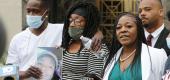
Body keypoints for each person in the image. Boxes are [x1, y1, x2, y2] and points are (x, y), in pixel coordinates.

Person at [6, 0, 103, 79]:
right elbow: (6, 71)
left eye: (35, 11)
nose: (31, 14)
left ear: (46, 13)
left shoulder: (61, 30)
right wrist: (25, 73)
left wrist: (98, 34)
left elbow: (85, 28)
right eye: (28, 11)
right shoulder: (17, 39)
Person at [103, 12, 167, 80]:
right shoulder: (110, 59)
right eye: (118, 27)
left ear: (138, 30)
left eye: (129, 26)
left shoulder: (158, 55)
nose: (123, 30)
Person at [61, 2, 109, 80]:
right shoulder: (66, 44)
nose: (72, 24)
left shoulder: (96, 45)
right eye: (70, 20)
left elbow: (95, 77)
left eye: (78, 21)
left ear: (89, 22)